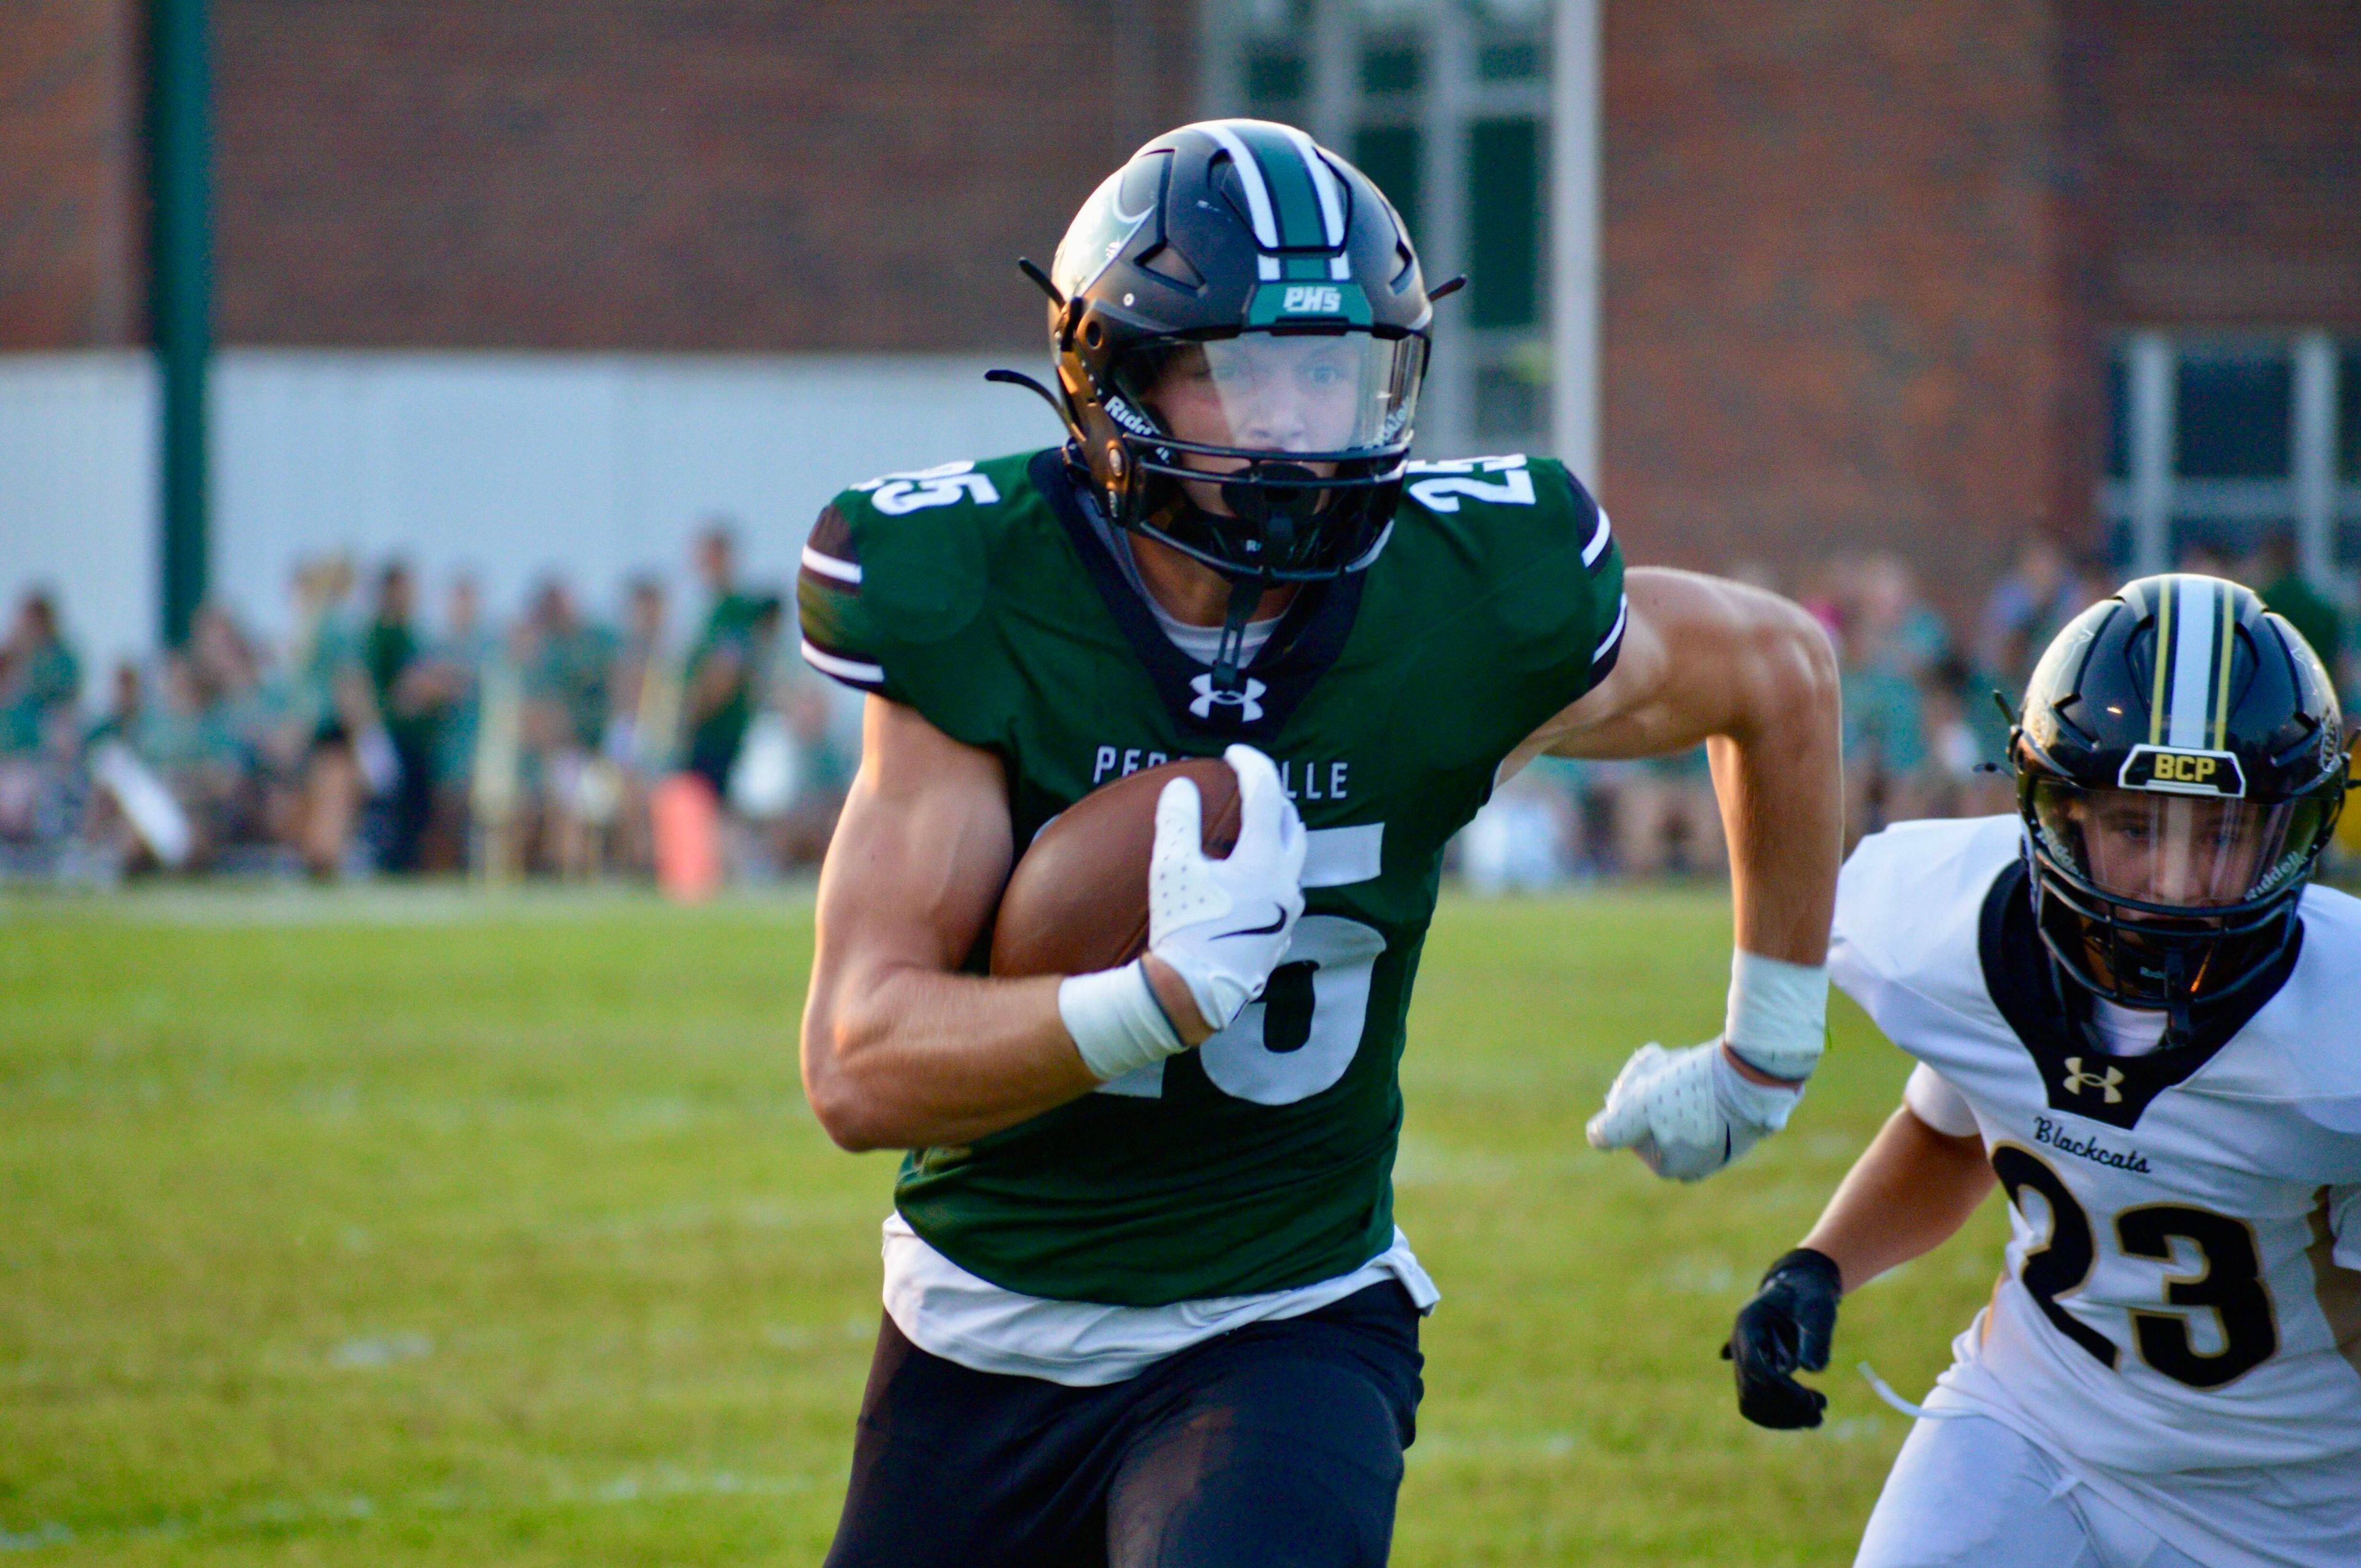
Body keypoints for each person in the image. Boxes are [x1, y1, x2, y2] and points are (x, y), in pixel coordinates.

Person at [796, 121, 1843, 1567]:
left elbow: (1781, 673)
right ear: (1119, 379)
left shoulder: (1457, 601)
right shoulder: (984, 596)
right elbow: (858, 1066)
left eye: (1334, 371)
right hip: (980, 1331)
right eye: (1247, 372)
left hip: (1285, 1320)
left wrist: (1765, 1053)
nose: (1303, 425)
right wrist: (1151, 1003)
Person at [1725, 574, 2360, 1568]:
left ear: (2294, 828)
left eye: (2225, 832)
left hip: (2293, 1496)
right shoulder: (1952, 934)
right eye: (2138, 825)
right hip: (2032, 1424)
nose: (2177, 882)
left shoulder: (2342, 1034)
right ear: (2056, 810)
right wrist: (1817, 1264)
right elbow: (1952, 1132)